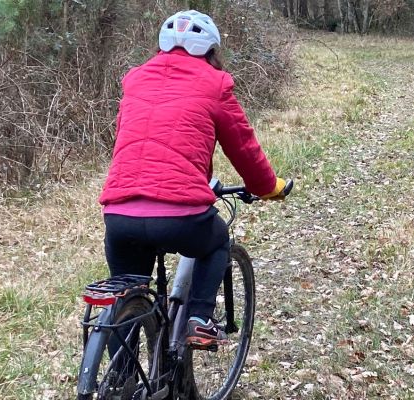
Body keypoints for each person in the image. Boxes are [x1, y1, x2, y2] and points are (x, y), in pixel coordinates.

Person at [98, 10, 293, 349]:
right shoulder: (214, 83)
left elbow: (146, 144)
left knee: (126, 298)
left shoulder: (135, 80)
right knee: (217, 240)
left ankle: (120, 381)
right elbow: (243, 147)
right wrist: (268, 187)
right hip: (179, 217)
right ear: (210, 50)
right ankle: (199, 319)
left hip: (120, 214)